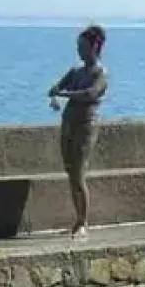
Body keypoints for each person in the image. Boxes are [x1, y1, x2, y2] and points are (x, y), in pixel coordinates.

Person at [48, 25, 108, 239]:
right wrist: (55, 93)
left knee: (79, 173)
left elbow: (90, 93)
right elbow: (56, 87)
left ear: (95, 47)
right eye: (78, 47)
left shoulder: (100, 73)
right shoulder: (76, 71)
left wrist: (64, 93)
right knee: (70, 169)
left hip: (86, 124)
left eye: (83, 47)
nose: (79, 51)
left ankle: (83, 221)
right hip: (69, 122)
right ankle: (77, 220)